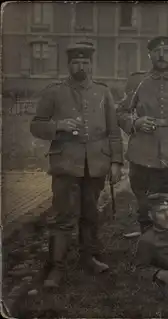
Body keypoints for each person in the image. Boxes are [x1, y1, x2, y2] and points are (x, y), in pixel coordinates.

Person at [30, 42, 124, 288]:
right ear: (69, 65)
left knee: (90, 213)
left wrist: (116, 162)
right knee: (63, 216)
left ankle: (88, 258)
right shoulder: (54, 92)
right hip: (66, 163)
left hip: (96, 163)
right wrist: (58, 126)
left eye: (85, 62)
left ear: (91, 65)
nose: (80, 66)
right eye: (75, 62)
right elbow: (36, 125)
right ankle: (56, 267)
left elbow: (113, 131)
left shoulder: (103, 92)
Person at [116, 36, 168, 234]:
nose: (161, 56)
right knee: (145, 203)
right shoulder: (138, 81)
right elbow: (121, 112)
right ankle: (147, 244)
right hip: (143, 152)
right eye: (156, 52)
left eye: (166, 52)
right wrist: (135, 122)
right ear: (150, 55)